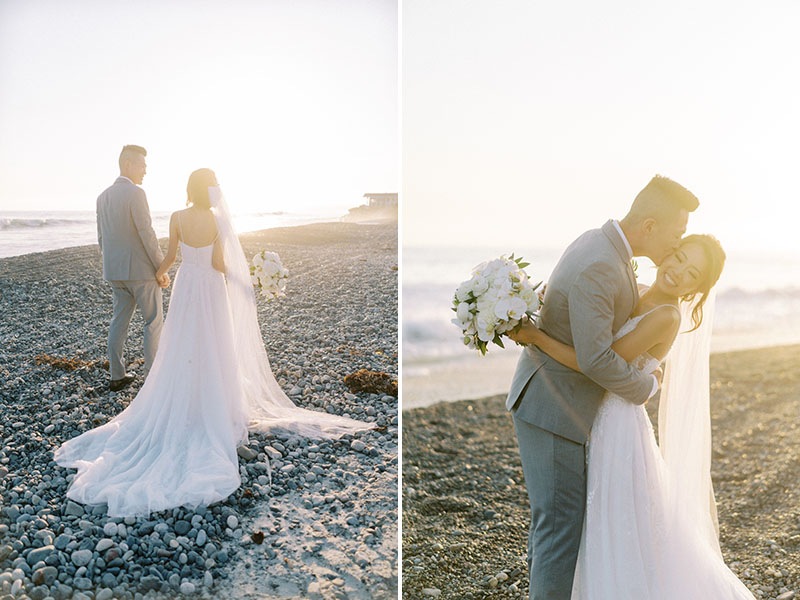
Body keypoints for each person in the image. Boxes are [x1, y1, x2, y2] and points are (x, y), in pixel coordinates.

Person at [55, 168, 374, 517]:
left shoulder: (177, 217)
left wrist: (160, 274)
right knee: (213, 344)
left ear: (189, 189)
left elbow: (171, 257)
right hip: (211, 288)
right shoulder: (217, 221)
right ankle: (213, 400)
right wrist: (245, 277)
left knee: (182, 343)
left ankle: (185, 397)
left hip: (187, 285)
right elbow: (220, 263)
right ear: (211, 191)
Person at [510, 234, 755, 599]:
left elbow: (595, 363)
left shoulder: (666, 316)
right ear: (669, 250)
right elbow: (588, 327)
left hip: (617, 423)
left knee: (613, 517)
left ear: (696, 289)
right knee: (583, 516)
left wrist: (536, 337)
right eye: (680, 258)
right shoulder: (633, 288)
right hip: (589, 412)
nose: (678, 272)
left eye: (691, 274)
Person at [505, 175, 699, 600]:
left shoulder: (602, 244)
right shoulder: (604, 261)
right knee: (558, 530)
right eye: (677, 233)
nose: (676, 245)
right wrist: (644, 385)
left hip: (562, 406)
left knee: (553, 528)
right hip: (553, 407)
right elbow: (595, 359)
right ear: (649, 226)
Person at [96, 144, 169, 392]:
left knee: (119, 321)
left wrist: (111, 264)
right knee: (153, 322)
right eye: (142, 165)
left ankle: (117, 375)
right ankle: (153, 379)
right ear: (128, 164)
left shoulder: (102, 197)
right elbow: (146, 233)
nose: (145, 171)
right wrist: (161, 267)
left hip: (115, 272)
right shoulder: (136, 193)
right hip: (140, 272)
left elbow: (101, 238)